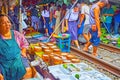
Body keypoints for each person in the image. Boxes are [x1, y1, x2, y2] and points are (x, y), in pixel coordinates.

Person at [0, 14, 29, 80]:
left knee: (27, 71)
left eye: (8, 22)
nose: (7, 24)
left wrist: (23, 51)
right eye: (3, 23)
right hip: (4, 64)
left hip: (17, 61)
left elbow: (25, 43)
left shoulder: (16, 34)